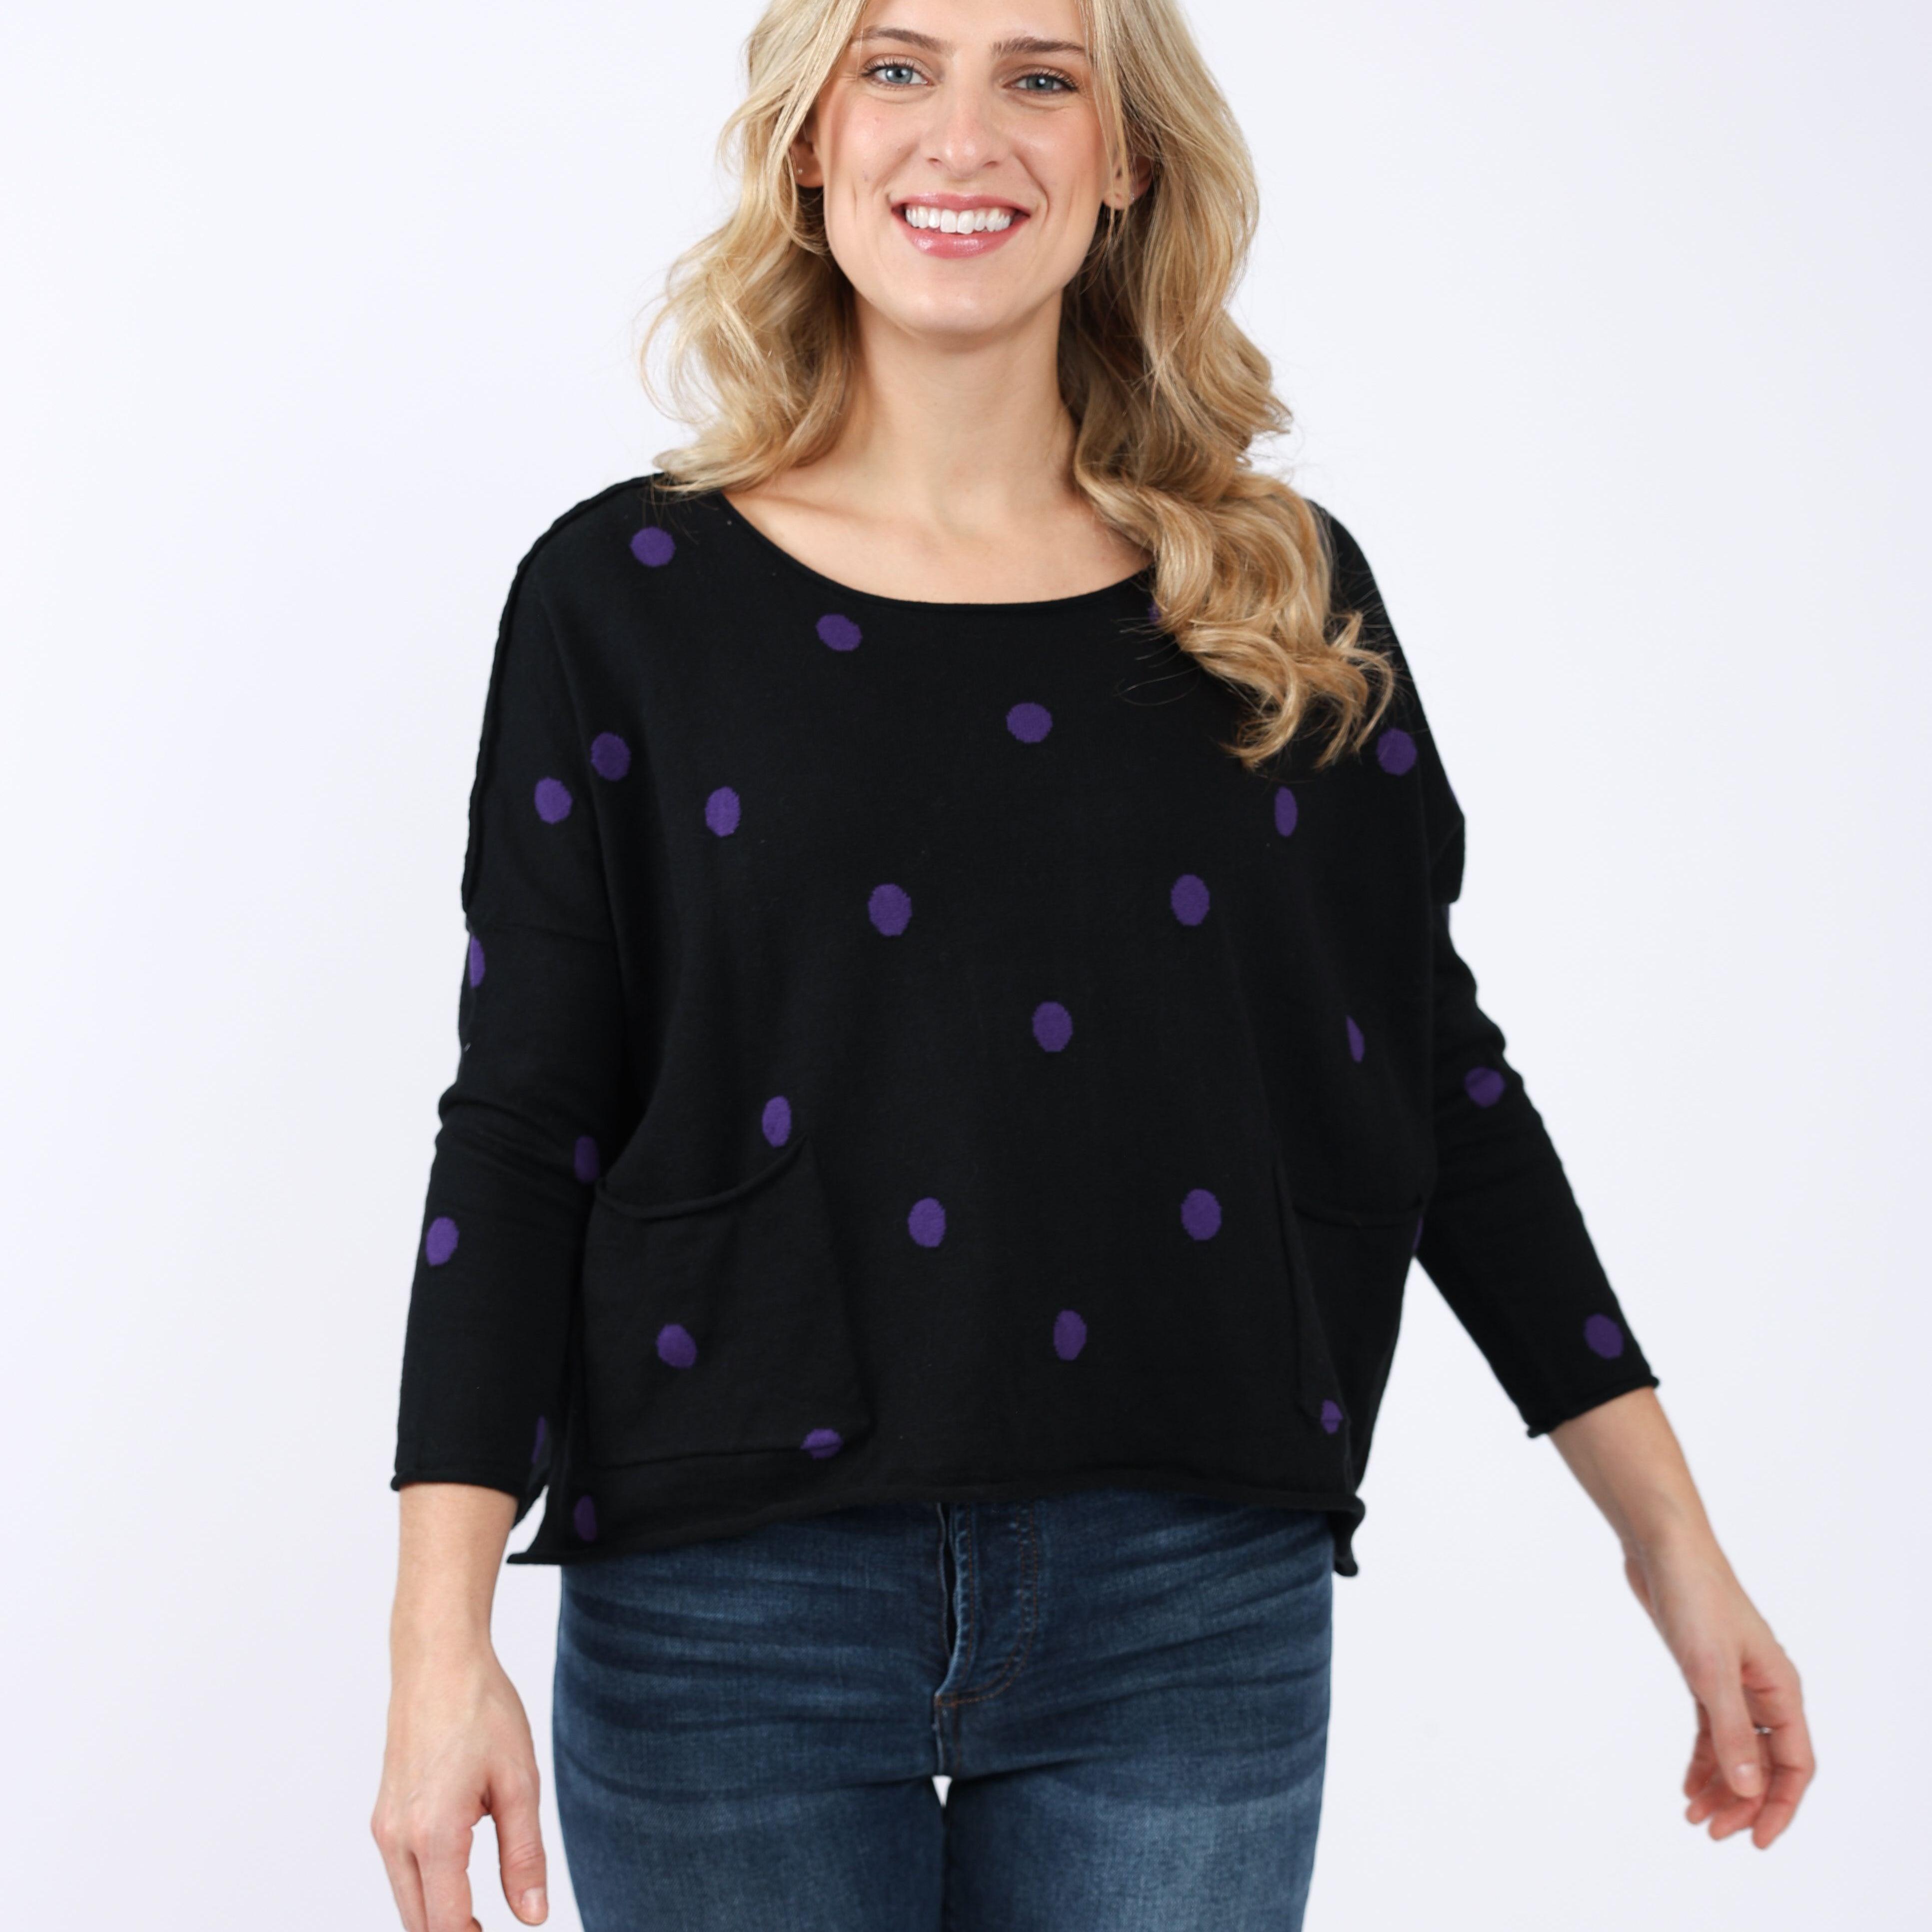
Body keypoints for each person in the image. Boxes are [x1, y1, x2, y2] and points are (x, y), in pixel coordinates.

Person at [371, 1, 1816, 1927]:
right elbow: (525, 1115)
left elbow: (1435, 1083)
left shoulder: (1278, 594)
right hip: (730, 1603)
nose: (962, 133)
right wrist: (438, 1639)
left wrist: (1670, 1547)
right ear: (808, 141)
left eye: (1040, 77)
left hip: (1183, 1594)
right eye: (896, 67)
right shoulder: (620, 601)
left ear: (1126, 156)